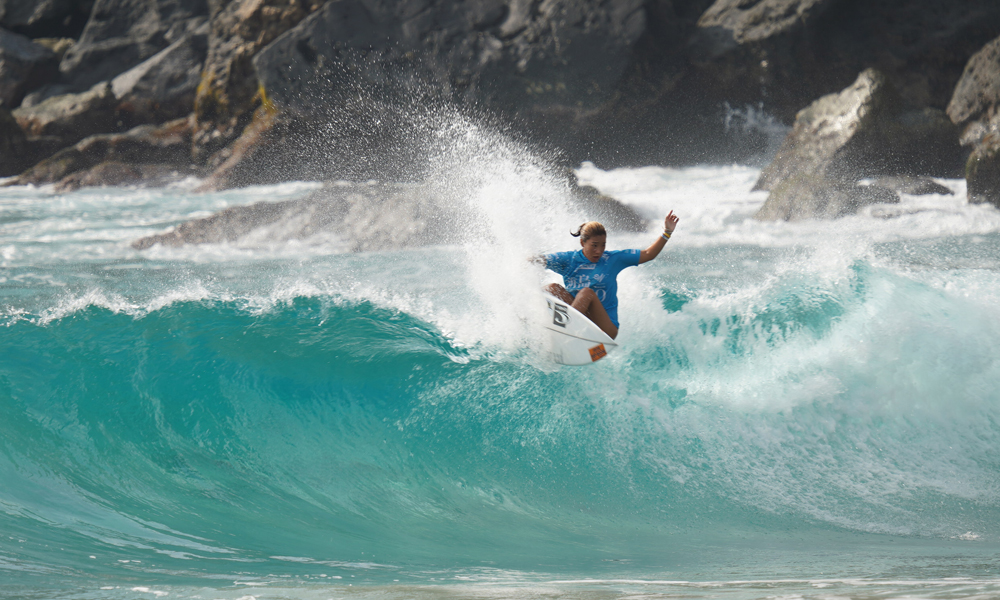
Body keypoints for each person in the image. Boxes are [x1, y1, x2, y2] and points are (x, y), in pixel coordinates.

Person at [539, 211, 679, 340]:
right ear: (582, 242)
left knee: (587, 293)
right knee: (550, 288)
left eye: (603, 245)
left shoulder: (613, 259)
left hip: (605, 328)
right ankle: (537, 326)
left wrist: (667, 232)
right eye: (594, 245)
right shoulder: (569, 259)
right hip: (581, 319)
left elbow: (648, 254)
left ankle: (565, 332)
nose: (599, 251)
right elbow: (539, 260)